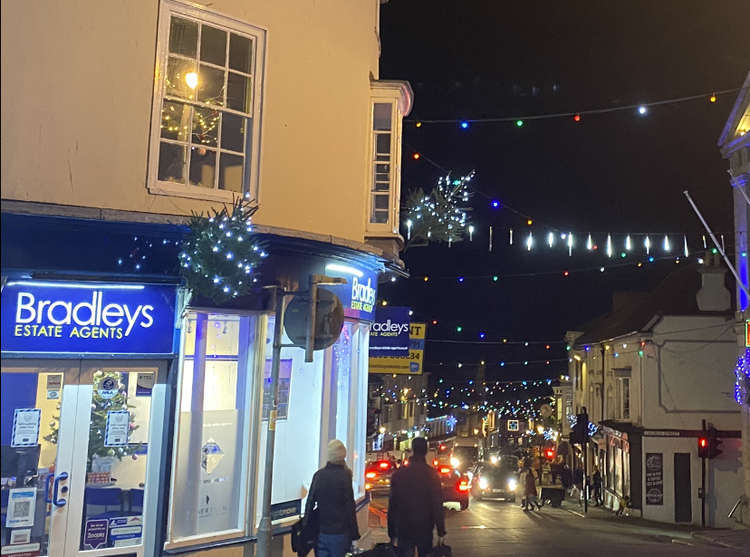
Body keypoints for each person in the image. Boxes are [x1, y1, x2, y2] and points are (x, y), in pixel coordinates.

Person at [388, 437, 446, 557]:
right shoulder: (431, 474)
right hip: (424, 526)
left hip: (404, 526)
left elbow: (393, 504)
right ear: (426, 451)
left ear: (412, 450)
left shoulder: (399, 474)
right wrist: (440, 529)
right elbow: (437, 504)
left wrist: (391, 531)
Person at [304, 440, 359, 557]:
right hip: (340, 534)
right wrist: (354, 535)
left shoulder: (319, 475)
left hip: (321, 532)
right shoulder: (345, 476)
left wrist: (306, 529)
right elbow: (350, 507)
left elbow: (309, 503)